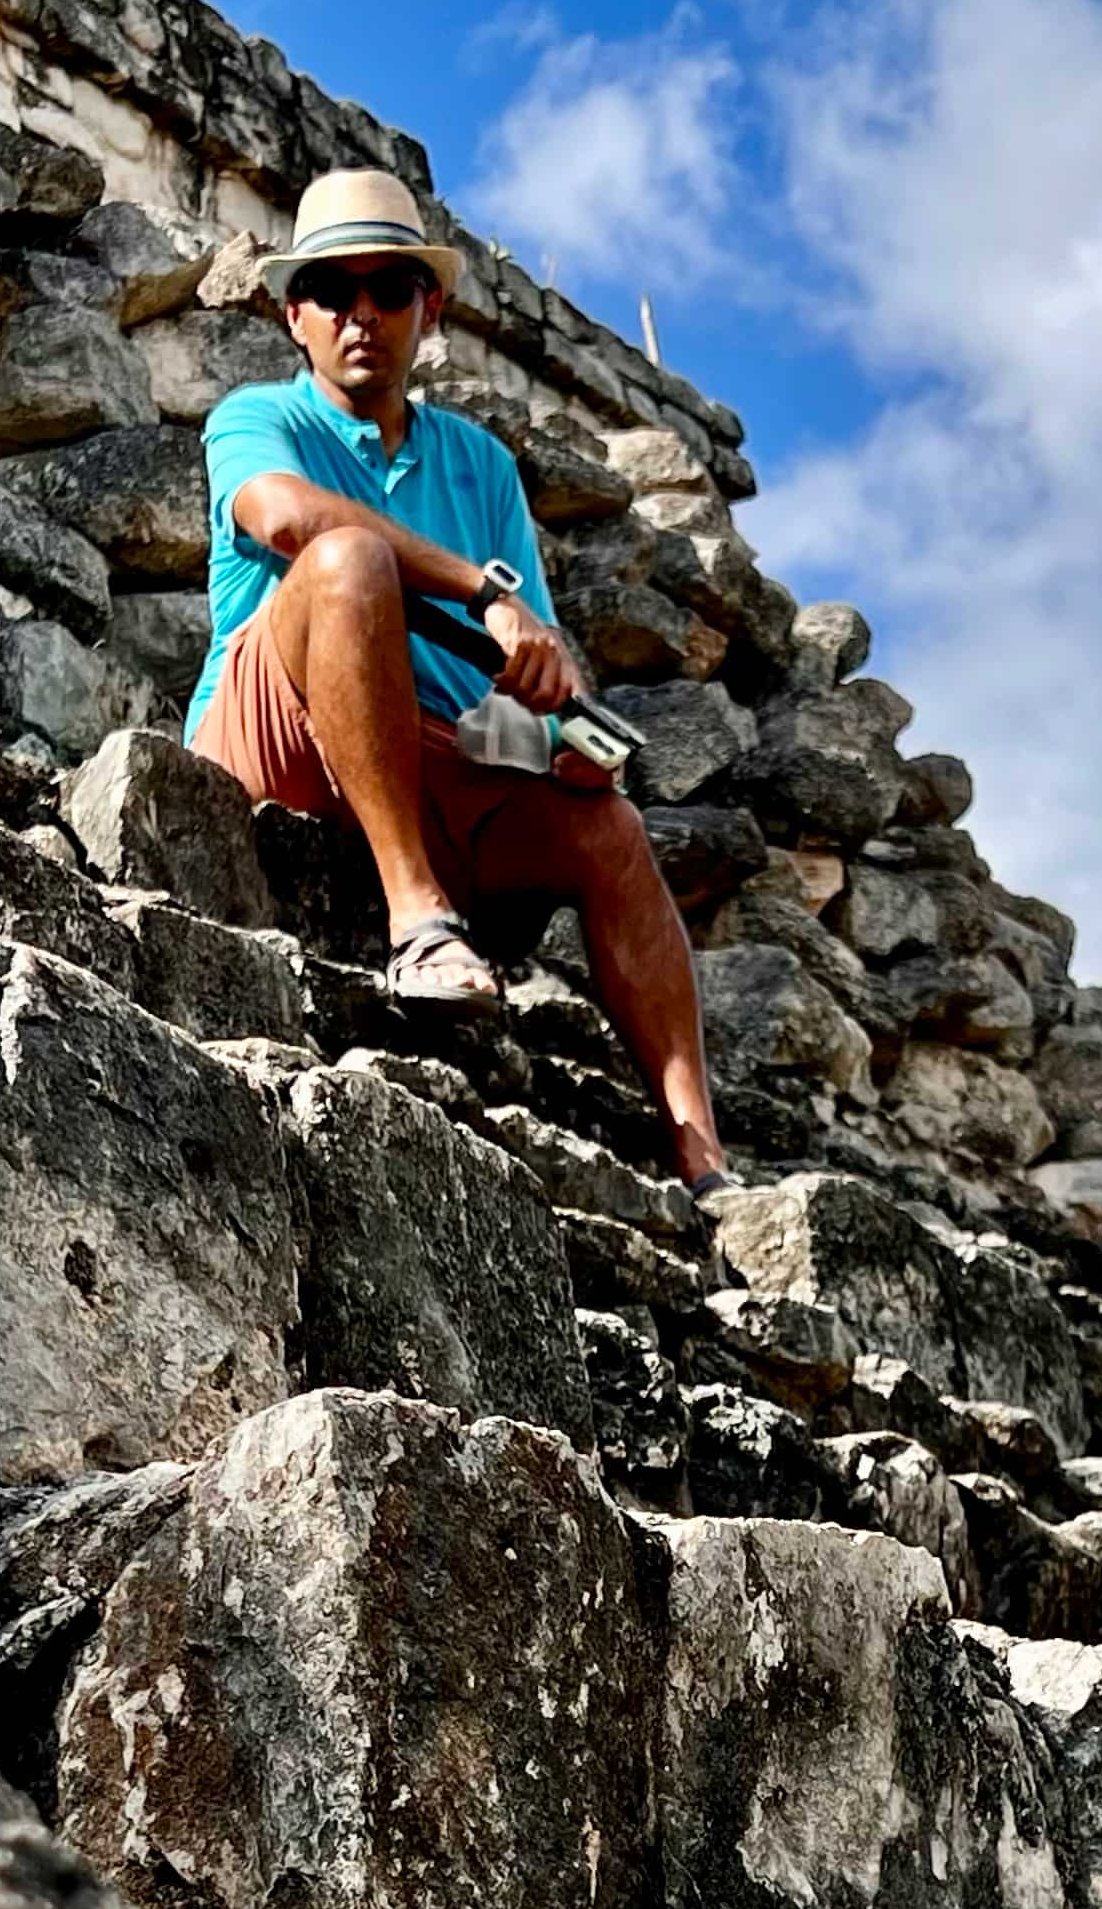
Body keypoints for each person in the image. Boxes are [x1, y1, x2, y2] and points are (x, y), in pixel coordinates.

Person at [184, 167, 731, 1196]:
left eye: (388, 287)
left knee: (608, 827)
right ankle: (418, 920)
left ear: (427, 310)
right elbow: (287, 520)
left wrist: (558, 739)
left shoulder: (480, 465)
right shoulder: (255, 418)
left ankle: (700, 1151)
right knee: (347, 564)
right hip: (276, 730)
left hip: (435, 750)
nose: (362, 314)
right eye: (335, 289)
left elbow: (531, 679)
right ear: (294, 312)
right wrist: (479, 586)